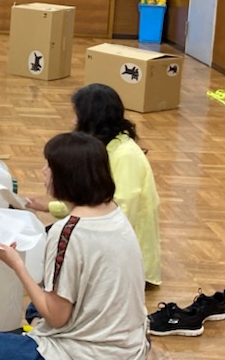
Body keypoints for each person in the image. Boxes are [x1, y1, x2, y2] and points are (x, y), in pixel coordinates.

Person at [0, 132, 150, 360]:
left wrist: (17, 265)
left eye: (49, 167)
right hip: (132, 349)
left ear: (67, 177)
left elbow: (57, 318)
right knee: (35, 307)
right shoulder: (113, 210)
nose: (43, 172)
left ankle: (44, 345)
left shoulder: (68, 232)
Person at [26, 83, 162, 286]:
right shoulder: (104, 147)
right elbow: (90, 199)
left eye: (77, 115)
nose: (73, 121)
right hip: (102, 240)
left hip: (125, 263)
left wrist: (79, 239)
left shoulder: (126, 154)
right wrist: (49, 207)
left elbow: (122, 213)